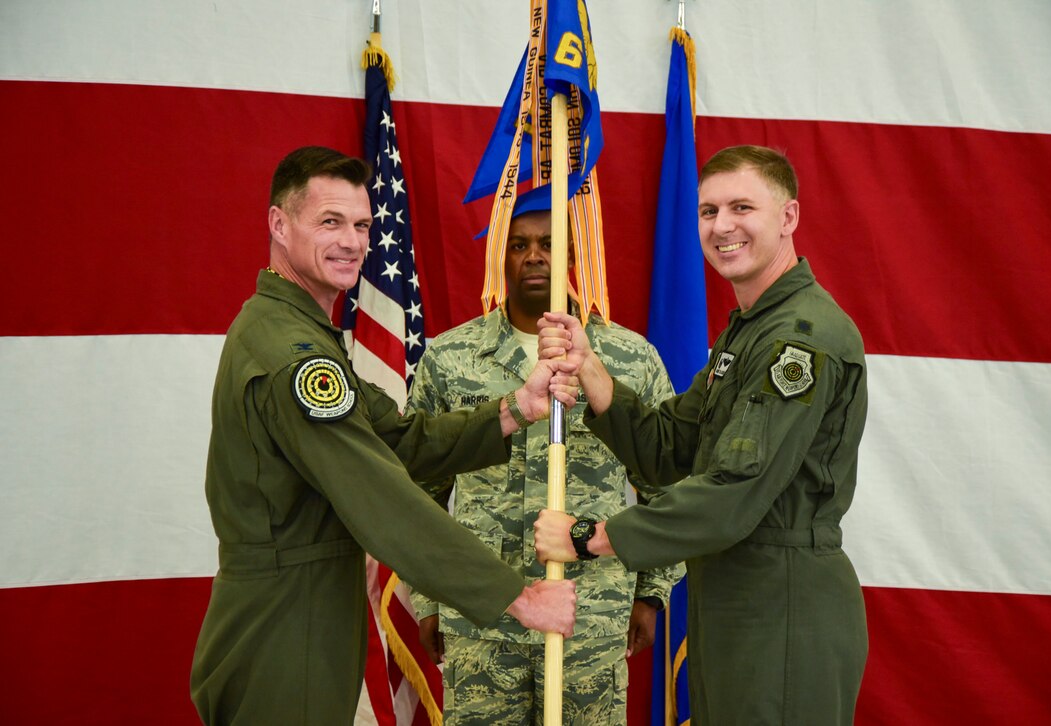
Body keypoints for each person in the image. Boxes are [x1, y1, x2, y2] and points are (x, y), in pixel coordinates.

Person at [190, 146, 579, 725]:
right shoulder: (289, 355)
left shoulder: (301, 330)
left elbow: (394, 440)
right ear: (279, 223)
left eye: (362, 224)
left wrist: (516, 408)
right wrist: (516, 597)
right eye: (330, 222)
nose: (352, 241)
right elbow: (377, 493)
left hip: (306, 603)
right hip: (285, 616)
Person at [535, 145, 869, 724]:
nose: (722, 226)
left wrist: (591, 536)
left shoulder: (799, 339)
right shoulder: (749, 332)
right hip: (737, 601)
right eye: (708, 211)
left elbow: (734, 491)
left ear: (788, 217)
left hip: (782, 605)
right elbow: (671, 450)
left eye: (743, 207)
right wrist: (590, 370)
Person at [407, 202, 684, 724]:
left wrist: (651, 592)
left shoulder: (628, 357)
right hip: (480, 613)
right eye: (519, 246)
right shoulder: (449, 358)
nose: (534, 258)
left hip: (592, 611)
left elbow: (665, 484)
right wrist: (428, 599)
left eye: (550, 244)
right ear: (500, 259)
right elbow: (419, 490)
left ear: (574, 254)